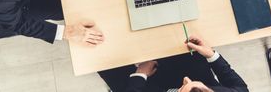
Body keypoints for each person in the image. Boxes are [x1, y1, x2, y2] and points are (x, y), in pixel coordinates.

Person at [99, 34, 248, 92]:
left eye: (183, 86)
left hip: (152, 86)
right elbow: (241, 88)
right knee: (179, 37)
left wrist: (140, 74)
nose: (186, 79)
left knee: (103, 61)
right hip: (195, 70)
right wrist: (211, 54)